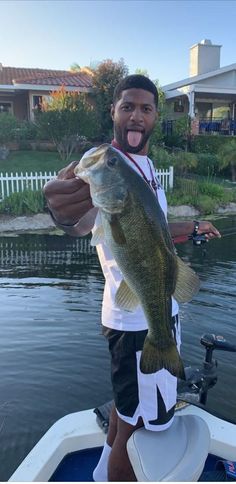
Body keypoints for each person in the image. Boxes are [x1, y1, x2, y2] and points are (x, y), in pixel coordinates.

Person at [43, 75, 221, 482]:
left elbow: (153, 233)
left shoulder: (145, 167)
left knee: (127, 418)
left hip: (158, 311)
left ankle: (100, 475)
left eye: (146, 108)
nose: (136, 116)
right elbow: (78, 218)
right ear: (114, 112)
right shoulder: (104, 163)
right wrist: (60, 210)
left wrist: (192, 227)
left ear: (156, 115)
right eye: (127, 107)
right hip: (134, 324)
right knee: (136, 428)